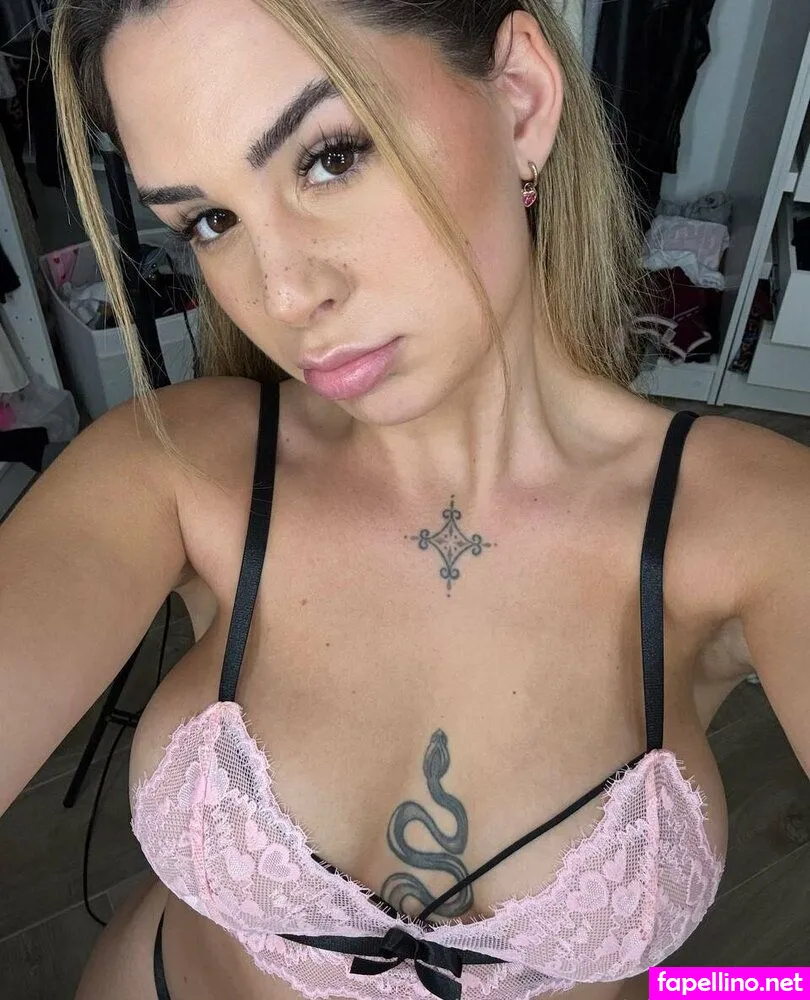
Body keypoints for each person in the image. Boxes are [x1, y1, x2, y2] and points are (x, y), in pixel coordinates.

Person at [1, 1, 808, 998]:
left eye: (331, 157)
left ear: (520, 98)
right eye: (210, 222)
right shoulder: (173, 467)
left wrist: (749, 989)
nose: (283, 294)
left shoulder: (755, 524)